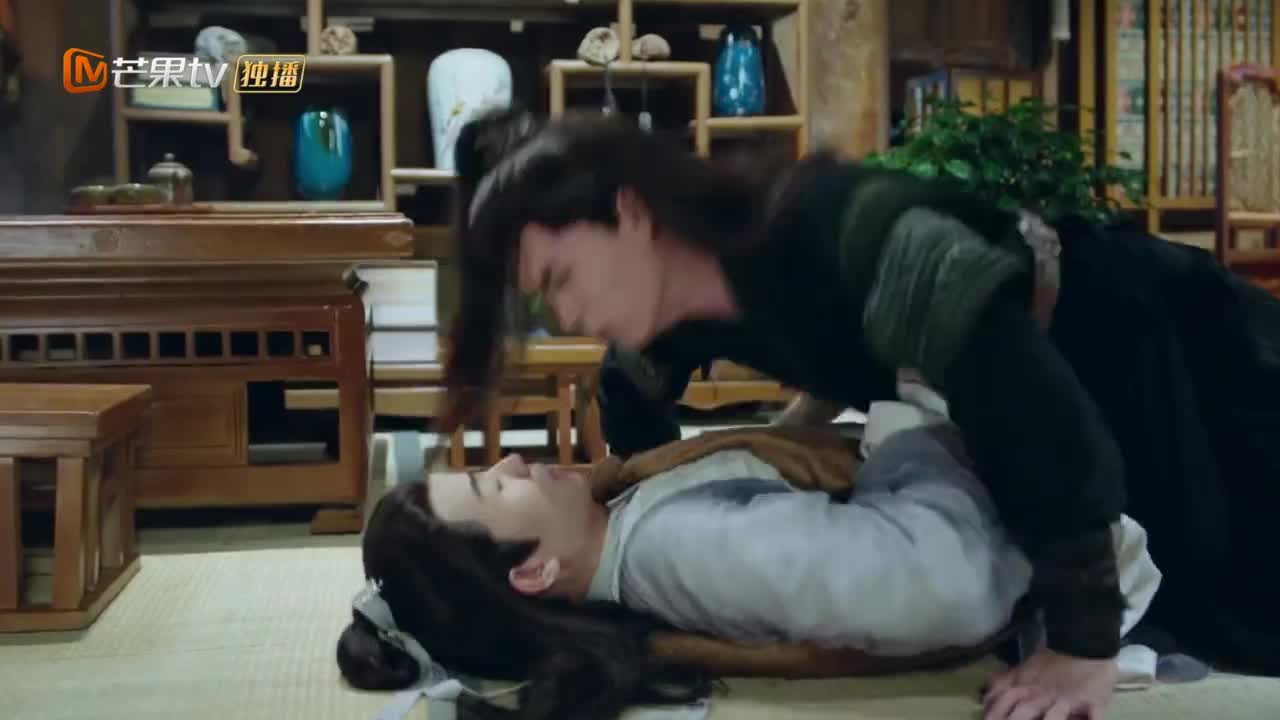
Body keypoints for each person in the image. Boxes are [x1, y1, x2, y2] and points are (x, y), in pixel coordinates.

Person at [436, 108, 1280, 719]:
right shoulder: (660, 313)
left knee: (1239, 591)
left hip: (1139, 338)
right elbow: (635, 410)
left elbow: (1039, 420)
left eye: (560, 280)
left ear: (628, 212)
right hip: (1017, 397)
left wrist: (1082, 644)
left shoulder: (848, 233)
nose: (566, 317)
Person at [341, 408, 1159, 720]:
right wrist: (913, 426)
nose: (515, 462)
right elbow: (952, 586)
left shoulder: (631, 522)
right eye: (494, 486)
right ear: (534, 574)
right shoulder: (681, 553)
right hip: (1072, 514)